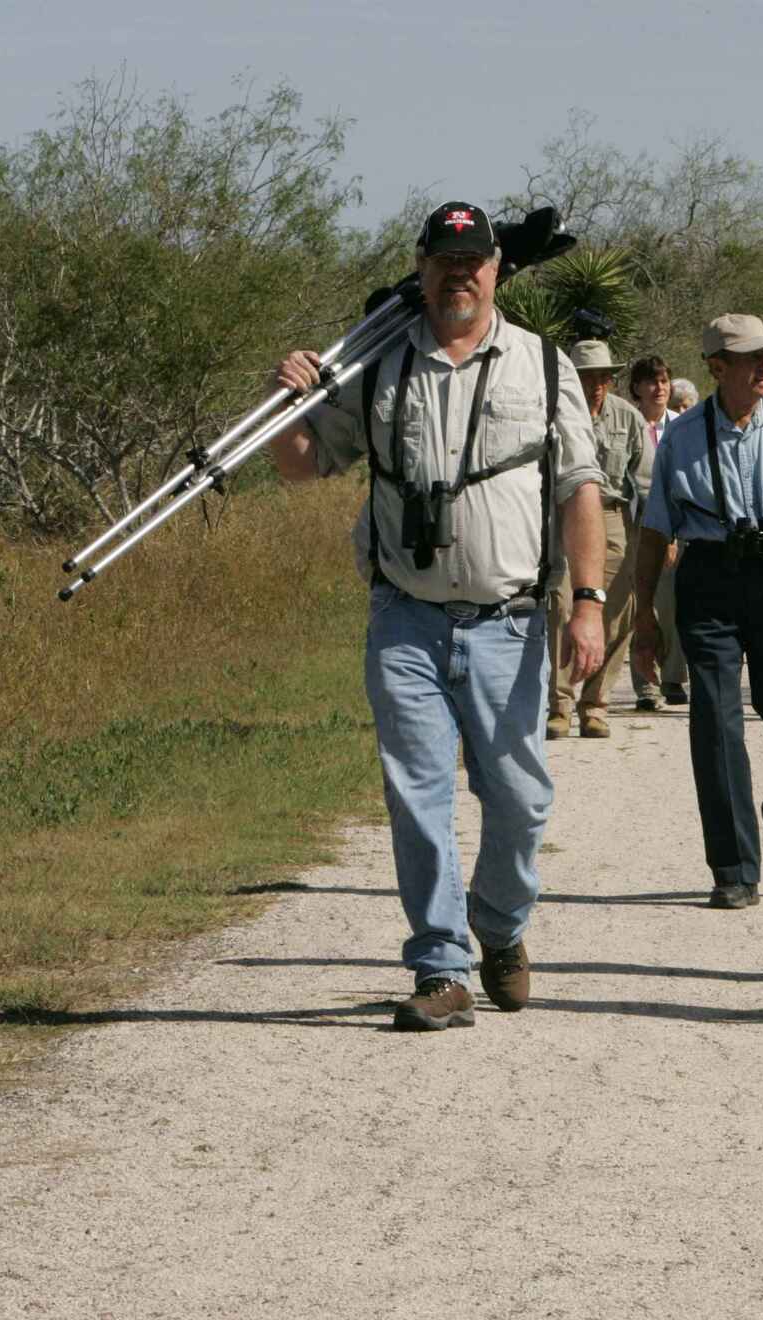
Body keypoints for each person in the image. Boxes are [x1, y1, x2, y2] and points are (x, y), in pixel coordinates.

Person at [268, 201, 607, 1032]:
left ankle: (501, 927)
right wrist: (285, 401)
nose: (460, 275)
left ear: (497, 270)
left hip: (510, 621)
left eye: (474, 262)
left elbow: (580, 490)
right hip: (406, 619)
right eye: (445, 261)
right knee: (417, 794)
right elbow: (304, 465)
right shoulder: (380, 362)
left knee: (520, 800)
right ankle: (441, 966)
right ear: (421, 268)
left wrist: (589, 603)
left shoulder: (545, 365)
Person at [631, 314, 763, 910]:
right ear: (717, 368)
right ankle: (733, 867)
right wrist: (645, 617)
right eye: (752, 357)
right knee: (716, 726)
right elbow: (655, 530)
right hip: (709, 581)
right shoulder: (682, 437)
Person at [547, 340, 652, 739]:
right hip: (564, 515)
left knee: (616, 611)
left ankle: (595, 704)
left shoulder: (627, 417)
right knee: (560, 607)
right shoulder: (552, 412)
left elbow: (647, 481)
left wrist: (658, 535)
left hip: (612, 516)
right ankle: (558, 704)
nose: (596, 385)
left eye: (603, 377)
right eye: (587, 377)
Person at [626, 355, 688, 711]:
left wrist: (675, 534)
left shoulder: (681, 425)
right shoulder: (628, 423)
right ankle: (646, 686)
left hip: (676, 528)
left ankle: (673, 677)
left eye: (664, 381)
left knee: (673, 604)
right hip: (635, 526)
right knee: (641, 604)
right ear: (637, 387)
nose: (659, 388)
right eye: (651, 381)